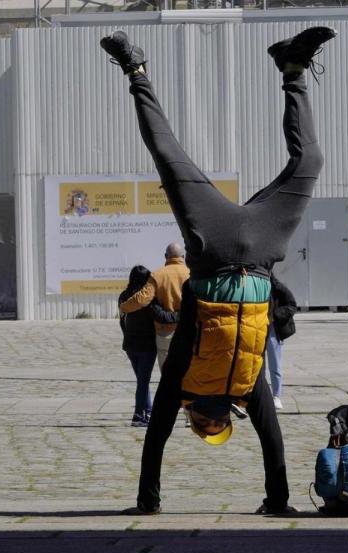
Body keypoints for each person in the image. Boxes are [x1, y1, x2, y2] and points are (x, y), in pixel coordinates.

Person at [100, 26, 335, 515]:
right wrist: (278, 502)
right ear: (226, 419)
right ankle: (293, 70)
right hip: (266, 244)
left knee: (167, 156)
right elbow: (273, 443)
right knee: (310, 160)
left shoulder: (181, 383)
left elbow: (155, 438)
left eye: (204, 429)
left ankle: (135, 70)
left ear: (193, 419)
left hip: (211, 243)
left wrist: (147, 503)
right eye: (216, 427)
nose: (209, 425)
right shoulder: (248, 387)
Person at [118, 242, 190, 372]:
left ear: (165, 256)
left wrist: (124, 307)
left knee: (168, 377)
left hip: (165, 332)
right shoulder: (192, 274)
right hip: (189, 331)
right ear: (183, 257)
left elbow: (141, 300)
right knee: (187, 375)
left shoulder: (158, 275)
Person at [119, 265, 159, 426]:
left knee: (142, 380)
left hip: (130, 343)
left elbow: (122, 321)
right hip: (147, 344)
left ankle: (148, 412)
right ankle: (138, 415)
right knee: (143, 381)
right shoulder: (148, 298)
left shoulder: (123, 296)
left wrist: (127, 335)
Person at [260, 274, 298, 410]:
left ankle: (276, 395)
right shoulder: (252, 284)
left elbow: (292, 305)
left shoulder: (277, 287)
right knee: (259, 365)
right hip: (256, 327)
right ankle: (262, 395)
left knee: (275, 364)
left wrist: (275, 315)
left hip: (271, 328)